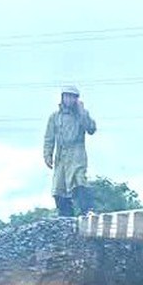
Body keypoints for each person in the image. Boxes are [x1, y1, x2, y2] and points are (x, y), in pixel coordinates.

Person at [43, 85, 96, 216]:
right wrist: (47, 154)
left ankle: (88, 210)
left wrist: (82, 112)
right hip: (61, 154)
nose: (69, 99)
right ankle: (66, 216)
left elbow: (91, 129)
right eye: (67, 96)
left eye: (72, 97)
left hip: (76, 151)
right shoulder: (54, 117)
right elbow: (49, 137)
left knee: (78, 179)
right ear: (62, 98)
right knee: (58, 188)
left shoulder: (82, 114)